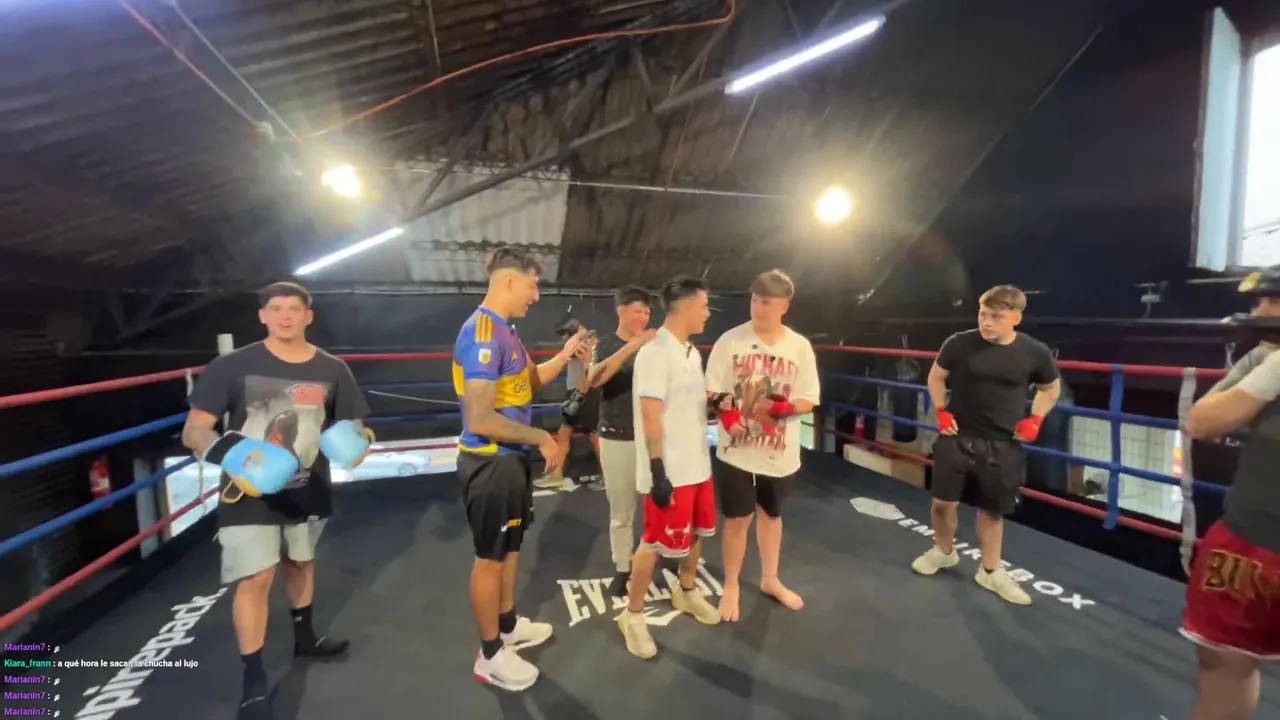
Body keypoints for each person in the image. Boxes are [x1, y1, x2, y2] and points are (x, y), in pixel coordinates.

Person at [181, 282, 371, 720]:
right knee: (255, 579)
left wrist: (360, 441)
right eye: (276, 309)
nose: (285, 316)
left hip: (307, 485)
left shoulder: (332, 368)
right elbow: (194, 430)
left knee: (300, 563)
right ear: (263, 316)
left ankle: (305, 639)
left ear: (308, 316)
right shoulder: (232, 366)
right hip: (247, 490)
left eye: (294, 309)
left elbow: (353, 424)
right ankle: (253, 681)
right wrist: (235, 458)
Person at [452, 245, 590, 691]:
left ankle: (507, 626)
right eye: (532, 285)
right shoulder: (481, 333)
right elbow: (479, 418)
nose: (536, 296)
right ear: (510, 280)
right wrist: (541, 438)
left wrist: (567, 354)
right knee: (489, 558)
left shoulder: (506, 331)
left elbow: (532, 380)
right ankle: (490, 655)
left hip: (510, 460)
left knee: (509, 548)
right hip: (489, 462)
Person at [910, 285, 1061, 605]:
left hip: (1004, 442)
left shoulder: (1034, 351)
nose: (986, 322)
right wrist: (940, 410)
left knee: (992, 510)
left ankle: (990, 570)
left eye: (996, 316)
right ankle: (943, 551)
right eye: (982, 314)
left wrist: (1035, 418)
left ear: (1015, 318)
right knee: (941, 503)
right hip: (957, 436)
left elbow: (1050, 388)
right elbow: (936, 377)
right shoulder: (958, 343)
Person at [1181, 265, 1280, 720]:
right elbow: (1200, 422)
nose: (1258, 311)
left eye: (1270, 301)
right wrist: (1270, 377)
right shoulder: (1263, 358)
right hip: (1248, 536)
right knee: (1223, 660)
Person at [705, 269, 820, 621]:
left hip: (779, 454)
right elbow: (711, 388)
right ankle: (731, 585)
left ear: (784, 305)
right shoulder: (730, 341)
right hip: (736, 451)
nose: (758, 307)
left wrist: (787, 408)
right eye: (755, 300)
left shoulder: (799, 346)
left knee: (771, 515)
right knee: (737, 519)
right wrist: (726, 415)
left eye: (767, 302)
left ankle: (770, 578)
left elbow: (809, 398)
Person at [616, 276, 721, 660]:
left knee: (697, 532)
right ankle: (632, 615)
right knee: (652, 543)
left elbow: (687, 406)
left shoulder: (691, 352)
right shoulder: (655, 352)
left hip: (698, 464)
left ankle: (687, 590)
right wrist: (658, 470)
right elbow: (650, 416)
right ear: (687, 307)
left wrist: (718, 404)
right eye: (704, 305)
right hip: (671, 470)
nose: (708, 313)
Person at [586, 286, 657, 596]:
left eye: (647, 311)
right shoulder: (605, 345)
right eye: (638, 310)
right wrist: (633, 346)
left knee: (659, 505)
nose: (644, 316)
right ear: (621, 311)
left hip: (652, 438)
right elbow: (595, 379)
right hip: (616, 437)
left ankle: (652, 559)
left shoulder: (656, 347)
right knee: (621, 511)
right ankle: (622, 567)